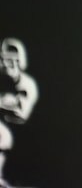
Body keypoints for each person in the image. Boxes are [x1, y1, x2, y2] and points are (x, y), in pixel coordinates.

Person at [0, 38, 38, 188]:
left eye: (11, 60)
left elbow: (21, 113)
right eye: (4, 59)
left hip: (22, 139)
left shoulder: (27, 84)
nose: (6, 64)